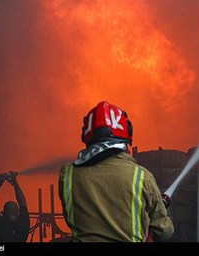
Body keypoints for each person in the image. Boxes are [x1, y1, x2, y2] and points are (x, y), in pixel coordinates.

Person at [59, 101, 174, 242]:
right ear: (126, 135)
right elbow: (163, 231)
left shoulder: (68, 175)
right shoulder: (142, 177)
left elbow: (73, 219)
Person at [0, 171, 30, 242]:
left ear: (3, 213)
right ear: (18, 212)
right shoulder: (23, 224)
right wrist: (14, 181)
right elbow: (22, 202)